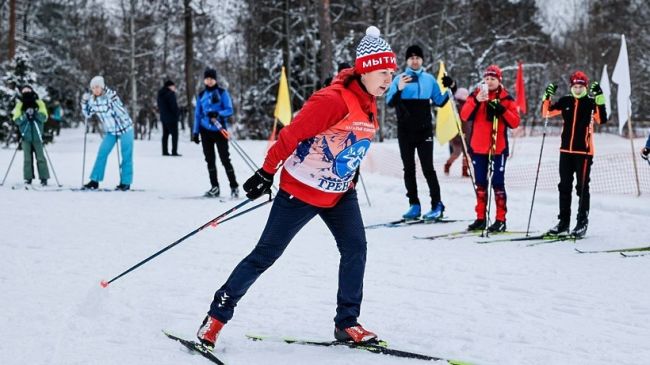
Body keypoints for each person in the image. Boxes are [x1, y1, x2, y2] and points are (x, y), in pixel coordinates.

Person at [195, 26, 397, 350]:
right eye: (381, 71)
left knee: (356, 248)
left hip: (340, 193)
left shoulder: (370, 103)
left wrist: (351, 174)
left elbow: (350, 143)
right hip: (300, 190)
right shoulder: (333, 99)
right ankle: (216, 317)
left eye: (391, 71)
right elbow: (292, 134)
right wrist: (266, 172)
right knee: (265, 255)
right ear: (364, 69)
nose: (388, 78)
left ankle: (347, 323)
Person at [385, 44, 455, 221]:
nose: (415, 61)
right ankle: (414, 205)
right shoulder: (399, 78)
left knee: (428, 168)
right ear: (407, 60)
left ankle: (437, 205)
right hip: (405, 130)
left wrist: (452, 86)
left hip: (424, 130)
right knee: (408, 168)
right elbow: (389, 103)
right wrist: (399, 88)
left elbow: (439, 101)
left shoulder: (429, 79)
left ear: (422, 60)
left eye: (417, 57)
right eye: (411, 58)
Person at [542, 71, 607, 238]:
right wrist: (547, 96)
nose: (577, 89)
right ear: (571, 87)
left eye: (581, 86)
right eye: (575, 86)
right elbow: (547, 113)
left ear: (585, 87)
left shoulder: (590, 103)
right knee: (564, 186)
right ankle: (563, 222)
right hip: (565, 150)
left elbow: (602, 119)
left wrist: (600, 98)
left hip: (584, 151)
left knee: (582, 187)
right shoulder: (566, 101)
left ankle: (581, 223)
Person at [460, 65, 520, 232]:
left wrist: (502, 110)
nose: (489, 82)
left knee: (498, 183)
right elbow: (464, 115)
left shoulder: (506, 98)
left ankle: (500, 219)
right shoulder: (477, 94)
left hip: (497, 148)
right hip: (478, 147)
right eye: (487, 79)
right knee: (480, 183)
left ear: (499, 80)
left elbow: (515, 122)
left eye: (493, 79)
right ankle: (480, 217)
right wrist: (476, 100)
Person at [81, 76, 135, 191]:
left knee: (126, 155)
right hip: (111, 131)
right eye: (93, 88)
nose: (95, 90)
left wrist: (114, 100)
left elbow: (121, 112)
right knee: (102, 153)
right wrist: (84, 102)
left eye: (97, 87)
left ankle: (125, 182)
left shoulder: (110, 97)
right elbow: (87, 114)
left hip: (125, 128)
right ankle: (94, 181)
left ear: (102, 87)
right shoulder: (92, 100)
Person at [193, 68, 239, 198]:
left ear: (215, 79)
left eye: (211, 79)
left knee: (225, 159)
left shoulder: (222, 92)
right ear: (204, 80)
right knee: (210, 160)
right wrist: (195, 132)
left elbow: (229, 110)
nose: (209, 81)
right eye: (207, 79)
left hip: (219, 130)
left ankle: (234, 186)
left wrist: (218, 113)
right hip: (205, 130)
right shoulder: (201, 95)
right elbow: (197, 114)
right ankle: (215, 187)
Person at [12, 86, 50, 185]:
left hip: (37, 136)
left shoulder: (39, 103)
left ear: (32, 91)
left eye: (28, 90)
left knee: (41, 157)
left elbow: (44, 118)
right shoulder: (19, 105)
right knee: (27, 158)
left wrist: (35, 113)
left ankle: (44, 178)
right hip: (25, 136)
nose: (26, 92)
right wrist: (25, 116)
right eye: (24, 91)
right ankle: (28, 178)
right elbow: (16, 120)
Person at [444, 87, 471, 177]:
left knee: (466, 154)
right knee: (457, 152)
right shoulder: (455, 106)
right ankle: (448, 164)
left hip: (467, 133)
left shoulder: (469, 105)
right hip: (456, 133)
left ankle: (465, 170)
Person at [157, 80, 181, 156]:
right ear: (169, 86)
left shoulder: (160, 94)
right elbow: (173, 106)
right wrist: (177, 114)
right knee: (175, 135)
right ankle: (174, 151)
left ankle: (164, 151)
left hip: (164, 118)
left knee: (165, 135)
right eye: (173, 86)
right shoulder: (171, 94)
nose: (174, 88)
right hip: (172, 118)